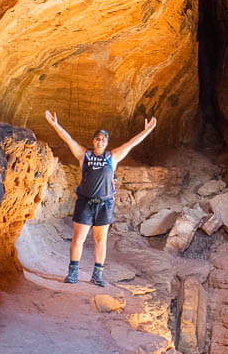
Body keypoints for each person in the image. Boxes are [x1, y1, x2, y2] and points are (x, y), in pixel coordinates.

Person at [44, 109, 157, 286]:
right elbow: (68, 140)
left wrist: (147, 130)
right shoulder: (84, 155)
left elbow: (130, 143)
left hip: (104, 203)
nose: (100, 141)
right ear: (93, 141)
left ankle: (97, 275)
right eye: (97, 138)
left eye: (103, 139)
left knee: (100, 240)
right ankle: (73, 273)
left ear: (107, 142)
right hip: (85, 202)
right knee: (78, 238)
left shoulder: (112, 156)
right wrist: (54, 124)